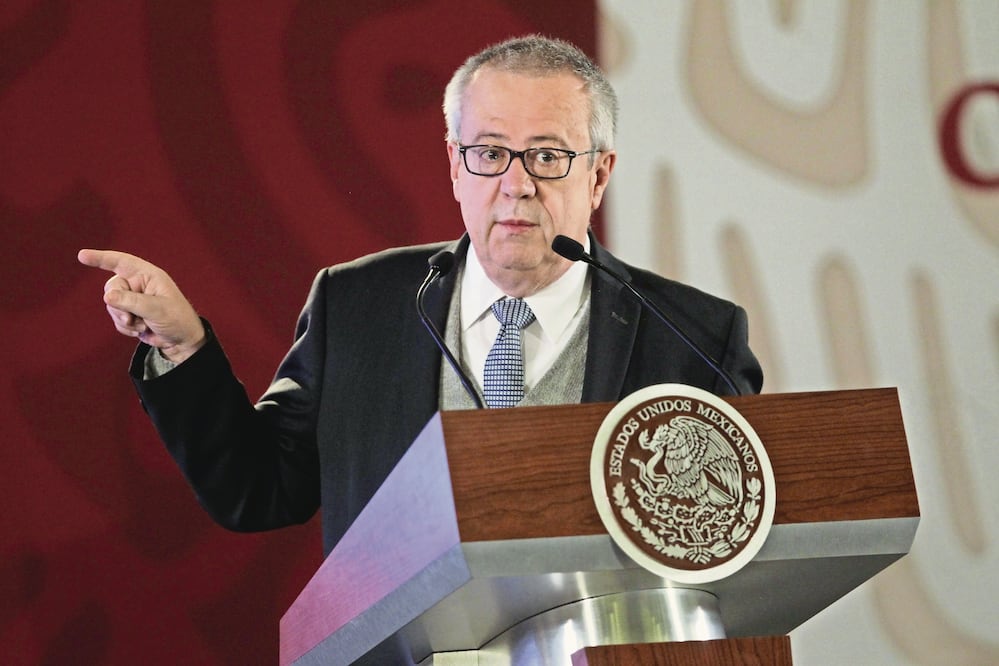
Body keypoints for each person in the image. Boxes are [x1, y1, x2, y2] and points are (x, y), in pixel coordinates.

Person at [78, 35, 763, 556]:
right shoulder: (359, 306)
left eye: (548, 156)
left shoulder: (691, 335)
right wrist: (182, 346)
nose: (516, 185)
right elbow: (260, 490)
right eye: (490, 152)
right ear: (453, 165)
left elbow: (737, 535)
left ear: (598, 175)